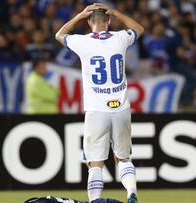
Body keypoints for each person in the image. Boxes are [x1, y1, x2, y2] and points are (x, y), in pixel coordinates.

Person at [55, 3, 144, 203]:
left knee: (95, 163)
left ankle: (95, 201)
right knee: (122, 158)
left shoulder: (82, 42)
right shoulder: (121, 38)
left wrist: (78, 16)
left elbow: (59, 35)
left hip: (96, 110)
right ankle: (131, 193)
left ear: (89, 22)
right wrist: (117, 12)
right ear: (109, 21)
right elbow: (139, 29)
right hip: (120, 107)